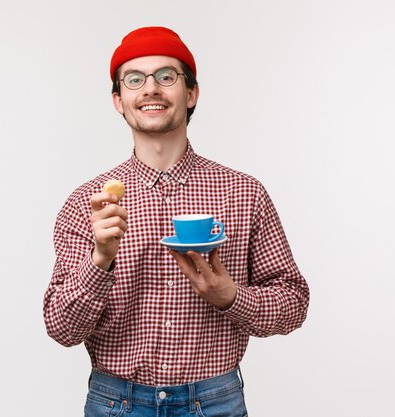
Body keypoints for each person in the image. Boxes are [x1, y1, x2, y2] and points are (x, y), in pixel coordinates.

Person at [43, 26, 310, 417]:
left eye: (166, 76)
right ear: (119, 100)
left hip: (215, 401)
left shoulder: (244, 193)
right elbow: (62, 328)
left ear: (191, 93)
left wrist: (231, 298)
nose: (150, 88)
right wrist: (100, 260)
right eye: (134, 80)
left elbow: (293, 302)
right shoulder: (88, 202)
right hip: (116, 403)